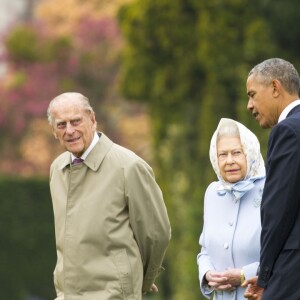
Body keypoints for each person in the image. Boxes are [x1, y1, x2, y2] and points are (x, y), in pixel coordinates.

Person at [46, 92, 171, 300]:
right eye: (61, 125)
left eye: (76, 121)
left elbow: (156, 234)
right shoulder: (57, 169)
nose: (70, 130)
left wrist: (142, 281)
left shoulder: (129, 166)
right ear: (53, 131)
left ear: (92, 119)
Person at [243, 58, 300, 300]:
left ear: (275, 88)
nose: (249, 105)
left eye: (253, 95)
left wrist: (266, 275)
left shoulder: (287, 131)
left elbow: (278, 210)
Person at [197, 118, 266, 300]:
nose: (229, 161)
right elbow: (205, 250)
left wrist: (245, 274)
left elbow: (284, 252)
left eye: (236, 152)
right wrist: (207, 274)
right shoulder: (212, 193)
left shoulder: (270, 189)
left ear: (250, 153)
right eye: (222, 154)